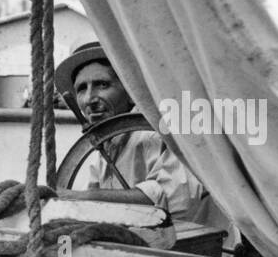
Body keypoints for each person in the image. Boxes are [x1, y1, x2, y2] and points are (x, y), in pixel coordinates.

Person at [54, 41, 217, 226]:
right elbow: (90, 204)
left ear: (132, 91)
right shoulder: (106, 144)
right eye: (81, 89)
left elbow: (173, 198)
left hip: (202, 250)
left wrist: (80, 197)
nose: (89, 99)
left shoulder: (165, 128)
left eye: (102, 85)